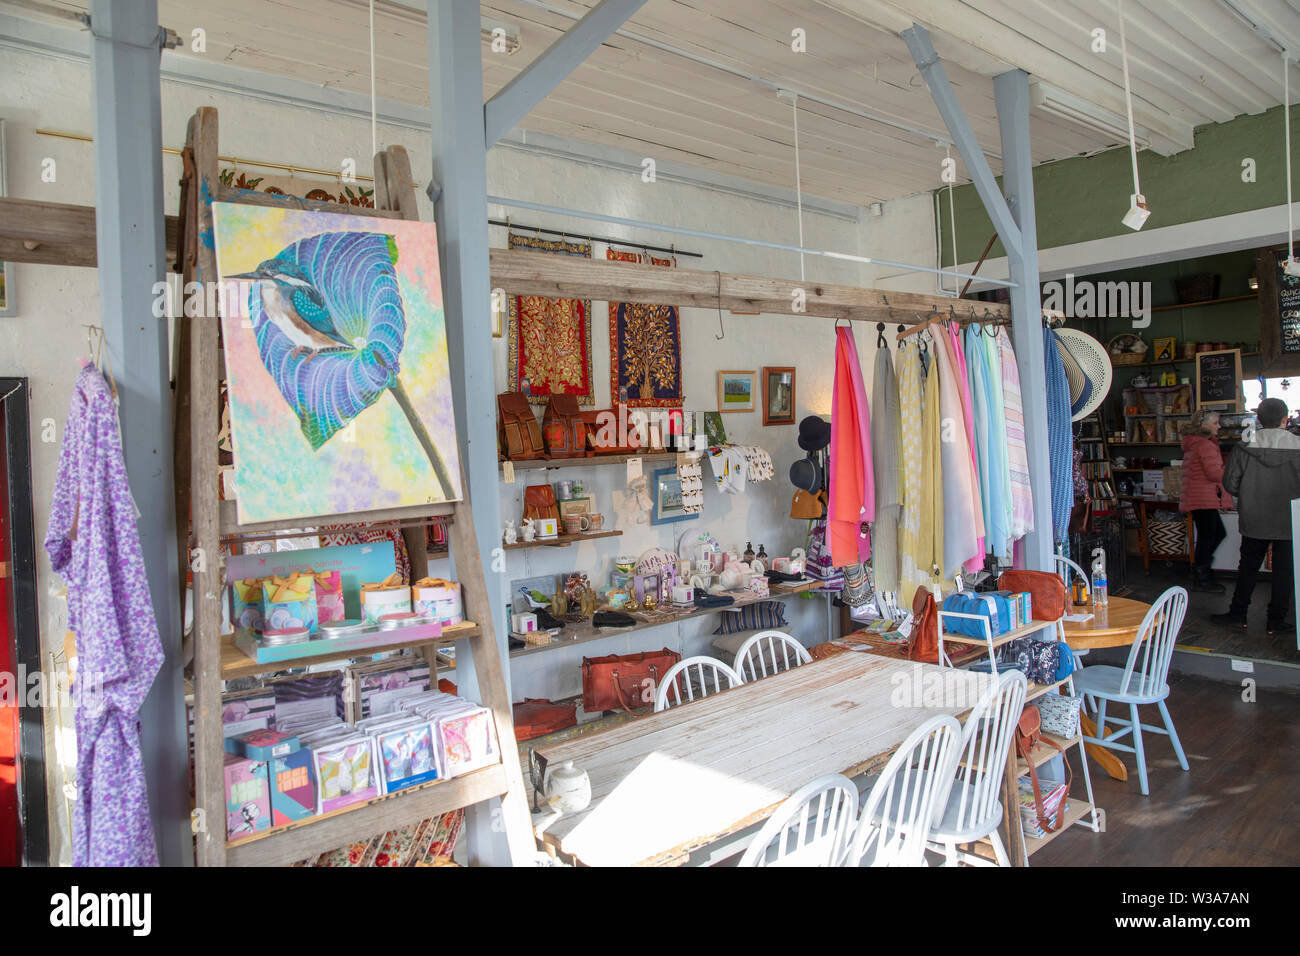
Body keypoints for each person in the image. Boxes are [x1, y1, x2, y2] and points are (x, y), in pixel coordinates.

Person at [1212, 397, 1300, 633]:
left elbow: (1230, 483)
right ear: (1285, 419)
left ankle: (1238, 614)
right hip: (1289, 519)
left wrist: (1250, 492)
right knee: (1284, 571)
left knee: (1248, 567)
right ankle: (1276, 621)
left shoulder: (1244, 447)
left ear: (1258, 420)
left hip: (1254, 517)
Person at [1178, 410, 1230, 593]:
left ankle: (1201, 571)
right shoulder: (1205, 445)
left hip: (1198, 496)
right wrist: (1231, 471)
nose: (1219, 426)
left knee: (1212, 535)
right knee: (1211, 536)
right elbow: (1214, 473)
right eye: (1216, 422)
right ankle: (1202, 577)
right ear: (1204, 425)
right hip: (1203, 497)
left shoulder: (1194, 443)